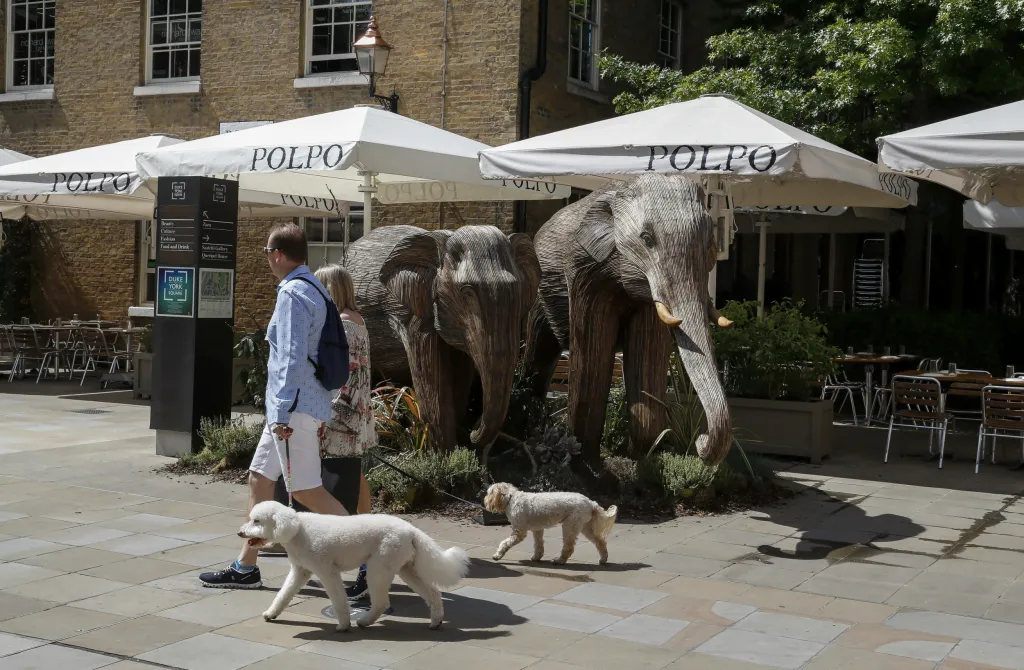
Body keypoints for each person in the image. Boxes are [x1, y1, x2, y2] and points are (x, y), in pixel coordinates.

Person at [200, 223, 348, 589]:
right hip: (299, 405)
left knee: (304, 490)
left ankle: (365, 558)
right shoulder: (316, 289)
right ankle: (246, 567)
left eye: (267, 253)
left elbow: (292, 357)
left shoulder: (294, 294)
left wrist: (281, 414)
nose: (266, 259)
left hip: (291, 409)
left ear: (278, 254)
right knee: (260, 479)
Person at [315, 264, 376, 601]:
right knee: (357, 482)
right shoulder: (357, 320)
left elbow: (347, 380)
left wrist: (327, 418)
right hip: (356, 418)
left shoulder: (344, 325)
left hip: (343, 422)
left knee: (340, 492)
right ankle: (367, 561)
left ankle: (363, 560)